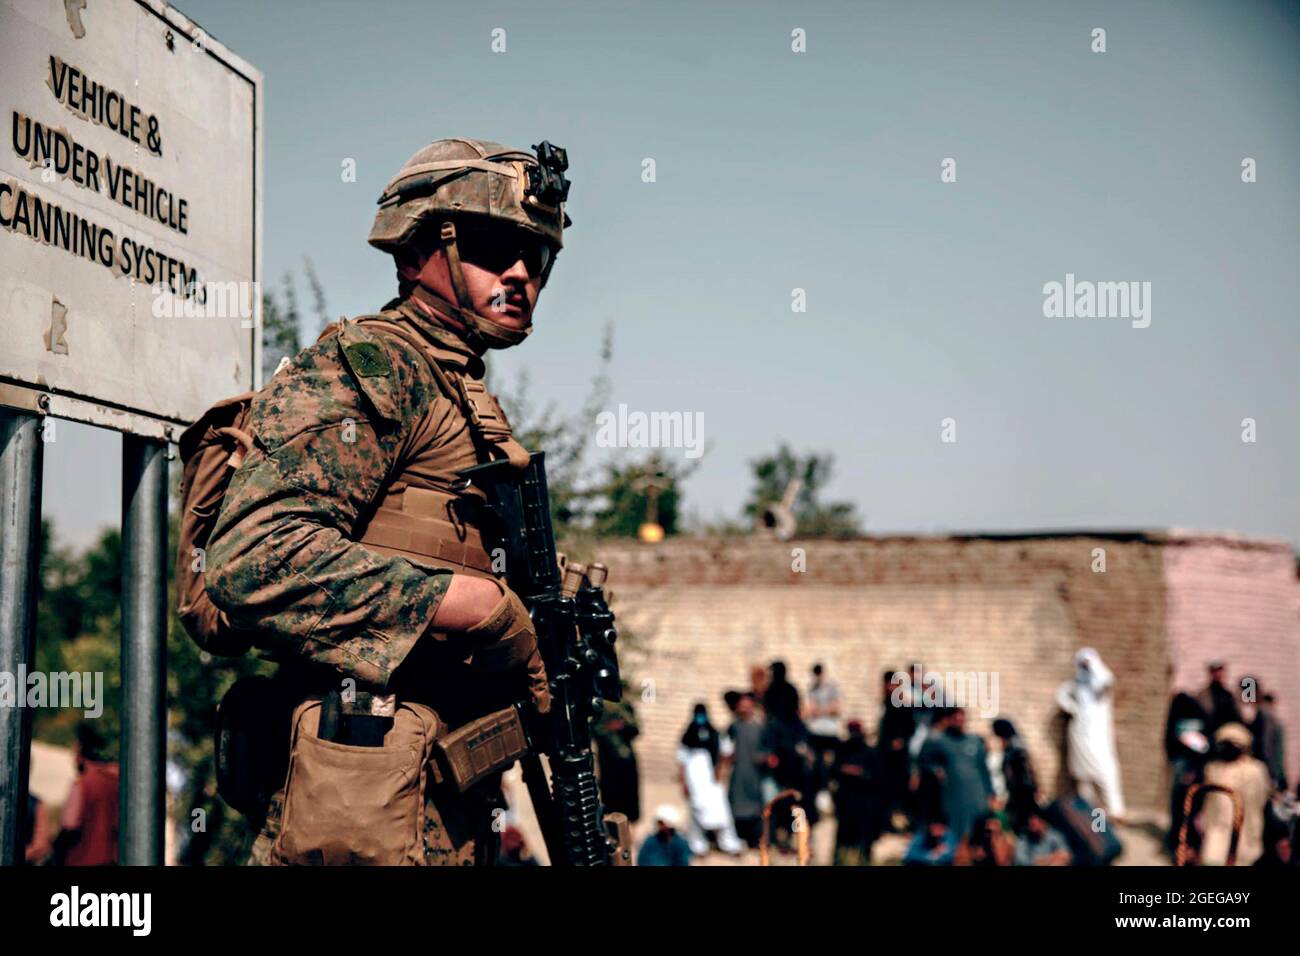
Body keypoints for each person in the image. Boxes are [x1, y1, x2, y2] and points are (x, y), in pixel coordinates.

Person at [206, 138, 572, 866]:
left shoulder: (461, 395)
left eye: (540, 257)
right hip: (355, 812)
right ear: (413, 253)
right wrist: (474, 605)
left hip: (434, 809)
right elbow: (252, 560)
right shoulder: (377, 370)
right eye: (495, 246)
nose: (521, 273)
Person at [1055, 648, 1126, 821]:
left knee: (1106, 773)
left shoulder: (1101, 683)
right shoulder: (1076, 685)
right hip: (1079, 735)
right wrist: (1074, 709)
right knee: (1084, 779)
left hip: (1098, 737)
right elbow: (1061, 695)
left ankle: (1116, 811)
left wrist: (1092, 665)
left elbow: (1106, 680)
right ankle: (1095, 821)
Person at [918, 708, 994, 845]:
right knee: (956, 827)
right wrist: (936, 770)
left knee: (979, 826)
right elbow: (924, 760)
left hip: (977, 792)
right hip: (954, 793)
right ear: (949, 720)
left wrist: (990, 792)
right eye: (956, 719)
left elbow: (984, 768)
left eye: (962, 719)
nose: (959, 722)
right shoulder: (939, 741)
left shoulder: (974, 741)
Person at [1200, 723, 1272, 866]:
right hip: (1216, 825)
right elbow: (1208, 799)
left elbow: (1260, 798)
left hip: (1245, 826)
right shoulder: (1213, 768)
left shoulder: (1254, 770)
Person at [677, 703, 743, 855]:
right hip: (694, 781)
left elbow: (727, 753)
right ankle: (698, 845)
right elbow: (682, 760)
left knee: (721, 811)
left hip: (712, 779)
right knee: (696, 811)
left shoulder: (716, 734)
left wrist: (721, 770)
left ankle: (728, 843)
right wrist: (684, 783)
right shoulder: (688, 736)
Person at [53, 723, 119, 866]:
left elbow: (70, 826)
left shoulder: (84, 784)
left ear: (81, 749)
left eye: (75, 746)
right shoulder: (117, 781)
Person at [829, 720, 885, 865]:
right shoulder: (842, 749)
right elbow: (834, 770)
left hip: (865, 802)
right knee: (843, 838)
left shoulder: (870, 752)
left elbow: (877, 776)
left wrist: (858, 773)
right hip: (846, 801)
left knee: (864, 837)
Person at [1164, 690, 1210, 852]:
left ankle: (1183, 843)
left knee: (1185, 805)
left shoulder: (1187, 720)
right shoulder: (1196, 718)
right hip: (1188, 770)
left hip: (1189, 770)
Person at [723, 692, 767, 848]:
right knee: (736, 803)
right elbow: (726, 749)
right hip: (738, 772)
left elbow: (766, 748)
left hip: (754, 774)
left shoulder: (760, 726)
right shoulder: (734, 726)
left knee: (755, 807)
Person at [593, 696, 641, 824]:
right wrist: (608, 728)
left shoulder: (625, 705)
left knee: (629, 806)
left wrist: (622, 726)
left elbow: (636, 729)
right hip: (608, 764)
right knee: (611, 806)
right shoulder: (598, 704)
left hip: (626, 763)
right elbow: (593, 730)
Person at [877, 669, 915, 830]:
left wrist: (900, 742)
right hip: (885, 758)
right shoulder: (885, 704)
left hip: (898, 759)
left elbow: (909, 729)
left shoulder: (902, 705)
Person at [991, 717, 1039, 833]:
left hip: (1020, 796)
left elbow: (1024, 774)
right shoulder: (1016, 748)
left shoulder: (1014, 751)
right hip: (1019, 796)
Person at [803, 663, 842, 797]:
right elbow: (808, 710)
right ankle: (820, 790)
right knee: (816, 763)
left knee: (830, 761)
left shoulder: (832, 688)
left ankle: (828, 788)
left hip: (829, 731)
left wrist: (819, 710)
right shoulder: (811, 689)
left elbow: (836, 709)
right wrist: (825, 710)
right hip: (815, 731)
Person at [1196, 659, 1242, 737]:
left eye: (1220, 671)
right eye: (1215, 671)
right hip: (1208, 734)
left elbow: (1236, 716)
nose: (1218, 674)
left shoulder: (1228, 695)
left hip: (1226, 734)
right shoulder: (1203, 695)